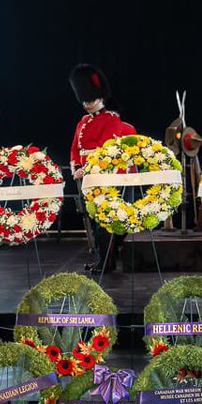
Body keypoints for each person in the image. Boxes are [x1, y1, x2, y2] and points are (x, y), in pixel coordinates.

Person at [69, 64, 136, 273]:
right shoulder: (82, 122)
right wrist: (77, 167)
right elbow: (75, 148)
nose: (87, 105)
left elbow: (104, 150)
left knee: (103, 223)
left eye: (91, 100)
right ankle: (103, 259)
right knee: (94, 221)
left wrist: (87, 168)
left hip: (104, 177)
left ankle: (106, 262)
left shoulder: (111, 120)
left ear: (101, 99)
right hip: (86, 177)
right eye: (85, 101)